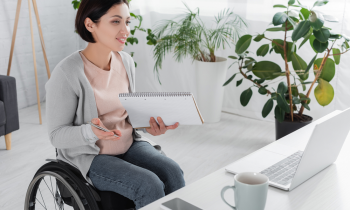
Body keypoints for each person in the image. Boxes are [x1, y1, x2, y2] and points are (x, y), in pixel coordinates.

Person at [45, 0, 185, 209]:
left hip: (129, 144)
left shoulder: (126, 61)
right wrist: (91, 132)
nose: (125, 30)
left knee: (173, 172)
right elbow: (56, 135)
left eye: (127, 22)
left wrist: (149, 126)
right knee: (148, 184)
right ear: (90, 24)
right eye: (115, 21)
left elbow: (128, 115)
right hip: (91, 155)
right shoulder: (67, 72)